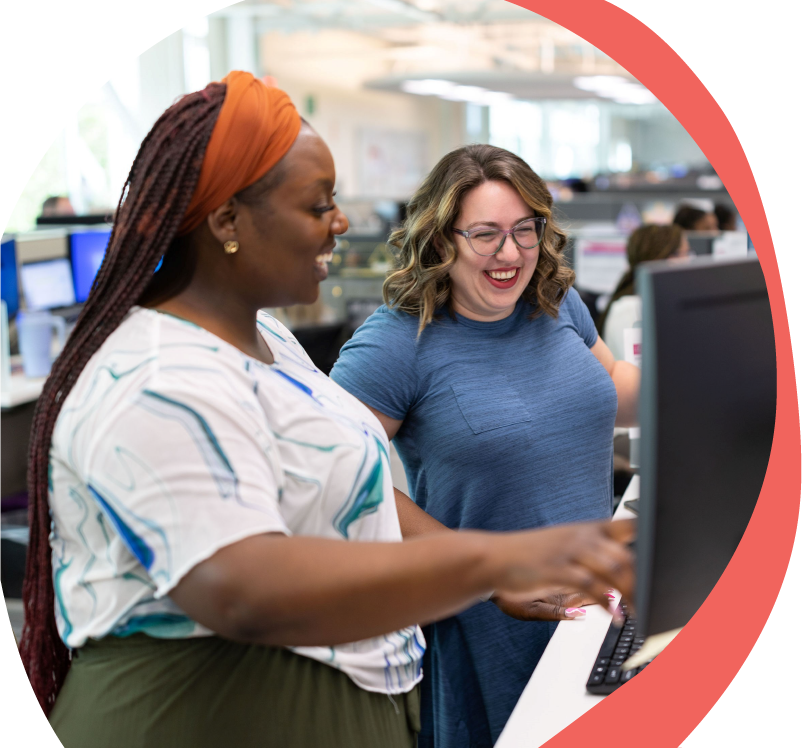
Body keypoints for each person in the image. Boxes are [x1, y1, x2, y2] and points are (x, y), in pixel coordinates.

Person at [19, 73, 635, 748]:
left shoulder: (267, 340)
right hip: (199, 713)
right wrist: (496, 562)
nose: (342, 223)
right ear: (227, 220)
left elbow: (359, 483)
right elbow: (240, 590)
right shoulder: (159, 379)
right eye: (318, 206)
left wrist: (487, 576)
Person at [329, 144, 641, 747]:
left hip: (594, 602)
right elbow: (339, 476)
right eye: (486, 235)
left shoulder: (553, 302)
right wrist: (486, 573)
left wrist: (721, 384)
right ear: (441, 239)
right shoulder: (397, 340)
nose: (511, 254)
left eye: (526, 231)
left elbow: (611, 388)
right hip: (493, 617)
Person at [598, 223, 689, 360]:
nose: (688, 261)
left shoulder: (660, 301)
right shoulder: (629, 308)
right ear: (663, 257)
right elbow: (640, 374)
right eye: (683, 254)